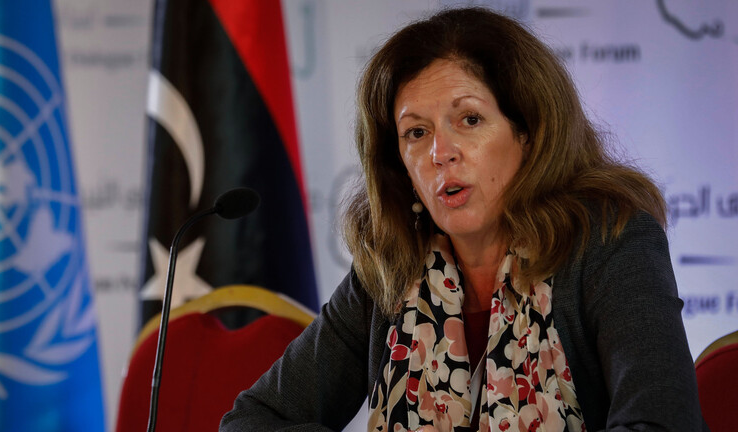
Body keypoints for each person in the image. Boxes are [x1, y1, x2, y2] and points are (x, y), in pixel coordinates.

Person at [220, 7, 707, 432]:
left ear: (529, 134)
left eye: (469, 120)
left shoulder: (611, 243)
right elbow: (254, 420)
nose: (440, 153)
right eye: (416, 132)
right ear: (399, 164)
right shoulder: (391, 267)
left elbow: (664, 423)